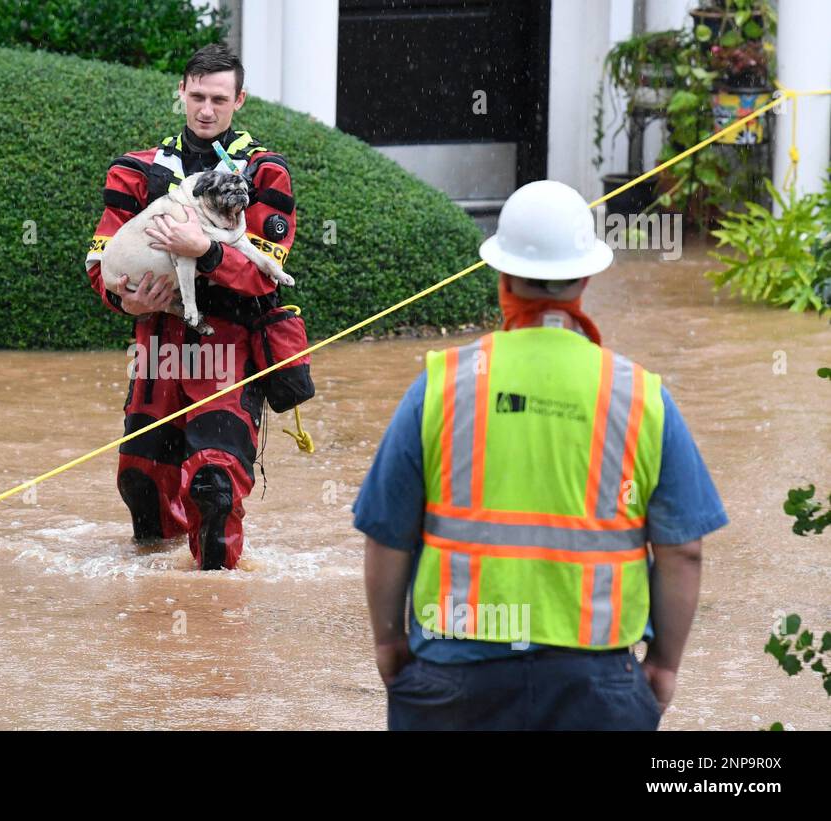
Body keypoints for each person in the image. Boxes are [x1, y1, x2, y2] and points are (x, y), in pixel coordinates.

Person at [355, 180, 728, 730]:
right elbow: (682, 552)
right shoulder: (639, 394)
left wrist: (390, 644)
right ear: (585, 279)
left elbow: (387, 533)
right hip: (596, 684)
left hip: (454, 681)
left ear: (502, 278)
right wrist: (665, 667)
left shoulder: (443, 384)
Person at [84, 44, 300, 570]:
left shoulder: (265, 173)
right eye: (197, 96)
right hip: (156, 347)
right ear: (180, 92)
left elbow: (261, 275)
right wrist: (123, 297)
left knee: (214, 486)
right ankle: (157, 612)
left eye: (219, 100)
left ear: (239, 100)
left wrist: (202, 252)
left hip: (228, 350)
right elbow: (100, 262)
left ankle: (217, 613)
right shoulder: (134, 170)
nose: (206, 109)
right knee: (141, 483)